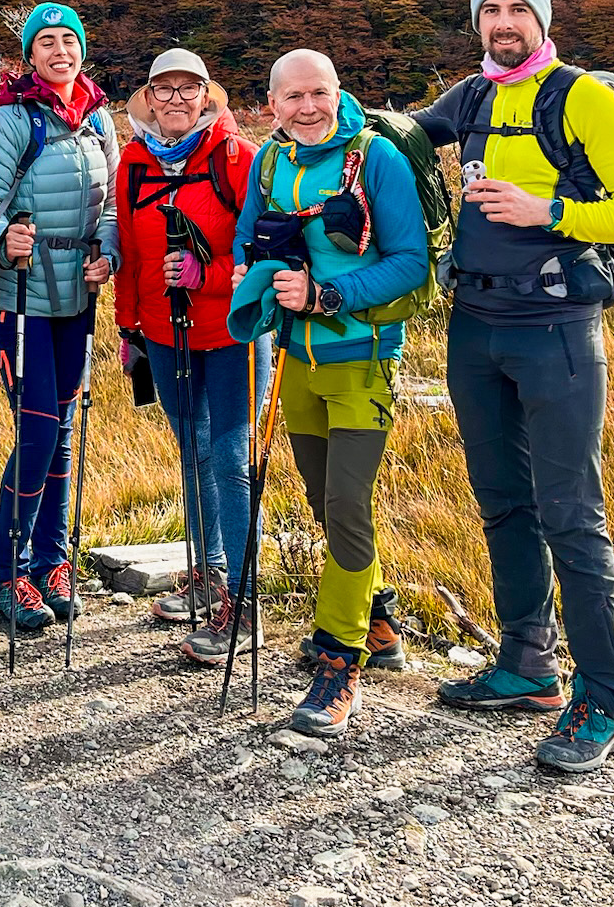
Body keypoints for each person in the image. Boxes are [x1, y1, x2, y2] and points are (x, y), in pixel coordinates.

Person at [411, 0, 614, 774]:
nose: (504, 23)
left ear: (543, 19)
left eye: (518, 11)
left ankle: (605, 696)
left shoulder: (582, 95)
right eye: (491, 12)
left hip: (556, 327)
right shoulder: (474, 95)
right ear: (477, 21)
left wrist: (545, 208)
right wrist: (320, 112)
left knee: (571, 515)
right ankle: (527, 663)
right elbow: (405, 133)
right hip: (474, 327)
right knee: (502, 504)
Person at [227, 50, 428, 737]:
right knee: (322, 499)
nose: (307, 107)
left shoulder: (377, 160)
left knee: (346, 503)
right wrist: (248, 275)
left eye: (319, 93)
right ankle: (375, 616)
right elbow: (245, 240)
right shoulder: (268, 162)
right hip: (295, 363)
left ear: (339, 94)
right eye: (292, 96)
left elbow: (410, 261)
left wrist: (327, 293)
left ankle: (339, 660)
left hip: (363, 360)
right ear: (272, 102)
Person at [0, 2, 120, 633]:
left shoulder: (99, 119)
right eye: (46, 42)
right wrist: (5, 239)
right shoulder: (9, 120)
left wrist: (107, 254)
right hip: (19, 295)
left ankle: (53, 562)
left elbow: (109, 206)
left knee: (62, 430)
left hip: (76, 298)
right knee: (35, 431)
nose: (60, 50)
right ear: (29, 56)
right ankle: (6, 571)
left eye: (69, 40)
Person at [112, 48, 261, 663]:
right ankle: (208, 572)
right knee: (192, 452)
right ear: (148, 98)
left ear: (207, 96)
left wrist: (212, 274)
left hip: (230, 331)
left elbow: (265, 254)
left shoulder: (238, 158)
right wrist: (129, 326)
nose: (175, 99)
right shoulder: (132, 162)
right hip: (164, 332)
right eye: (163, 89)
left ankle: (242, 600)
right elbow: (130, 249)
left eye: (188, 88)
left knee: (228, 458)